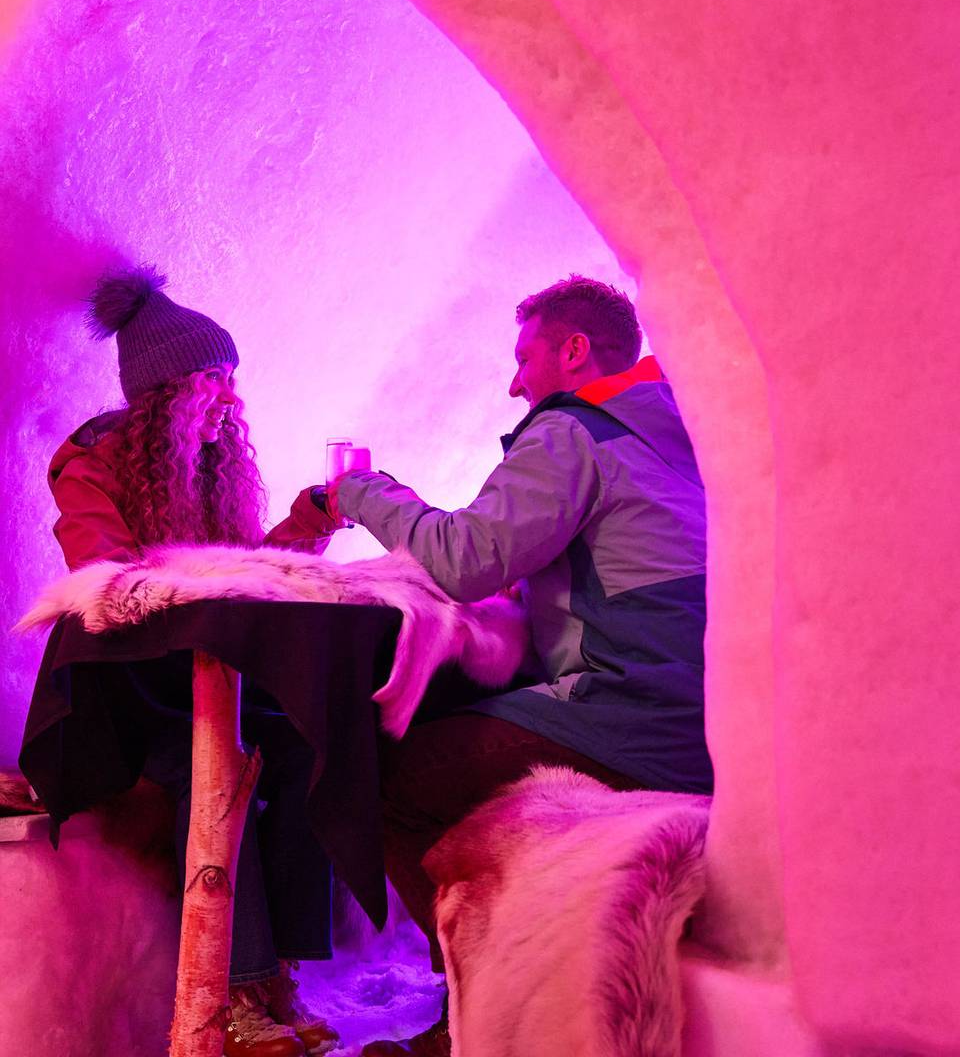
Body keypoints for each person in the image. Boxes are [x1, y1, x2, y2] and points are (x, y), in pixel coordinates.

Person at [327, 275, 712, 1057]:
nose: (514, 383)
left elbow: (466, 559)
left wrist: (363, 491)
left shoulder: (574, 431)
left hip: (626, 715)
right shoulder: (683, 431)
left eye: (525, 358)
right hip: (705, 722)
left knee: (380, 774)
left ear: (574, 351)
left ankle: (467, 1017)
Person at [48, 265, 341, 1057]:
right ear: (166, 390)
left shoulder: (211, 470)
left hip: (211, 671)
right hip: (128, 684)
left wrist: (305, 526)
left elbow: (235, 571)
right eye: (213, 379)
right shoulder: (92, 465)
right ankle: (231, 997)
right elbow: (105, 579)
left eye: (232, 379)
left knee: (303, 750)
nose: (229, 398)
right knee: (201, 764)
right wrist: (179, 588)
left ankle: (278, 973)